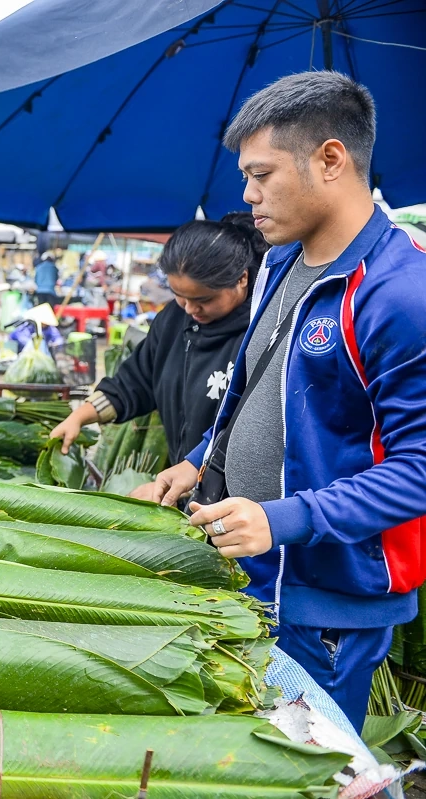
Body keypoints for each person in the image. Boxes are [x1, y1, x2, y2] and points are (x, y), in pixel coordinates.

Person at [140, 71, 426, 731]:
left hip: (327, 598)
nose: (247, 194)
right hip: (255, 576)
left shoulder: (401, 292)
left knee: (313, 760)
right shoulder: (279, 262)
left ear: (330, 159)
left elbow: (419, 467)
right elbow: (259, 394)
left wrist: (285, 517)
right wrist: (198, 459)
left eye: (261, 174)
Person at [49, 214, 266, 469]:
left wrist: (194, 468)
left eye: (204, 300)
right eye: (179, 296)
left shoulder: (263, 331)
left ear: (241, 279)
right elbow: (135, 382)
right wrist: (80, 416)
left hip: (232, 489)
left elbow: (256, 431)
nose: (190, 309)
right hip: (183, 482)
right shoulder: (173, 320)